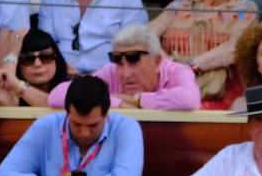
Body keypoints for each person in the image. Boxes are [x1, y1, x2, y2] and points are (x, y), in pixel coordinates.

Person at [0, 74, 144, 176]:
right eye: (76, 124)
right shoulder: (46, 125)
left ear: (106, 115)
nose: (84, 133)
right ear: (66, 113)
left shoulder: (127, 127)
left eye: (93, 125)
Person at [148, 0, 259, 109]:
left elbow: (236, 47)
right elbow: (146, 35)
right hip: (173, 90)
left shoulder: (245, 8)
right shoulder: (179, 5)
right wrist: (168, 66)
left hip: (221, 96)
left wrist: (189, 67)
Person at [48, 24, 201, 111]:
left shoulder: (178, 71)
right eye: (118, 61)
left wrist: (137, 99)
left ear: (156, 61)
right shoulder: (110, 71)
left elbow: (189, 100)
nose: (126, 73)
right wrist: (116, 102)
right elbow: (57, 96)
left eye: (134, 60)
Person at [0, 26, 66, 106]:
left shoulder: (71, 87)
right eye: (28, 59)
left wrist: (19, 87)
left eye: (46, 56)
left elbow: (58, 104)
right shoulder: (12, 94)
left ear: (57, 58)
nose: (37, 64)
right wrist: (13, 52)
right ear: (17, 64)